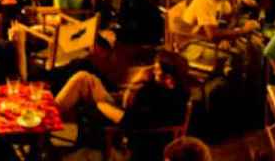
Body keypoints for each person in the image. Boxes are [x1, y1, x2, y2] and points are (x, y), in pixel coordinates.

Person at [55, 50, 190, 155]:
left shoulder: (166, 101)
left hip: (127, 124)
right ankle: (48, 114)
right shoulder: (163, 85)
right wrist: (137, 81)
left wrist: (100, 104)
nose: (152, 71)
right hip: (125, 110)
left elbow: (130, 122)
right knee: (83, 77)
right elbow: (129, 101)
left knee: (85, 89)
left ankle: (44, 120)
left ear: (169, 78)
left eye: (156, 71)